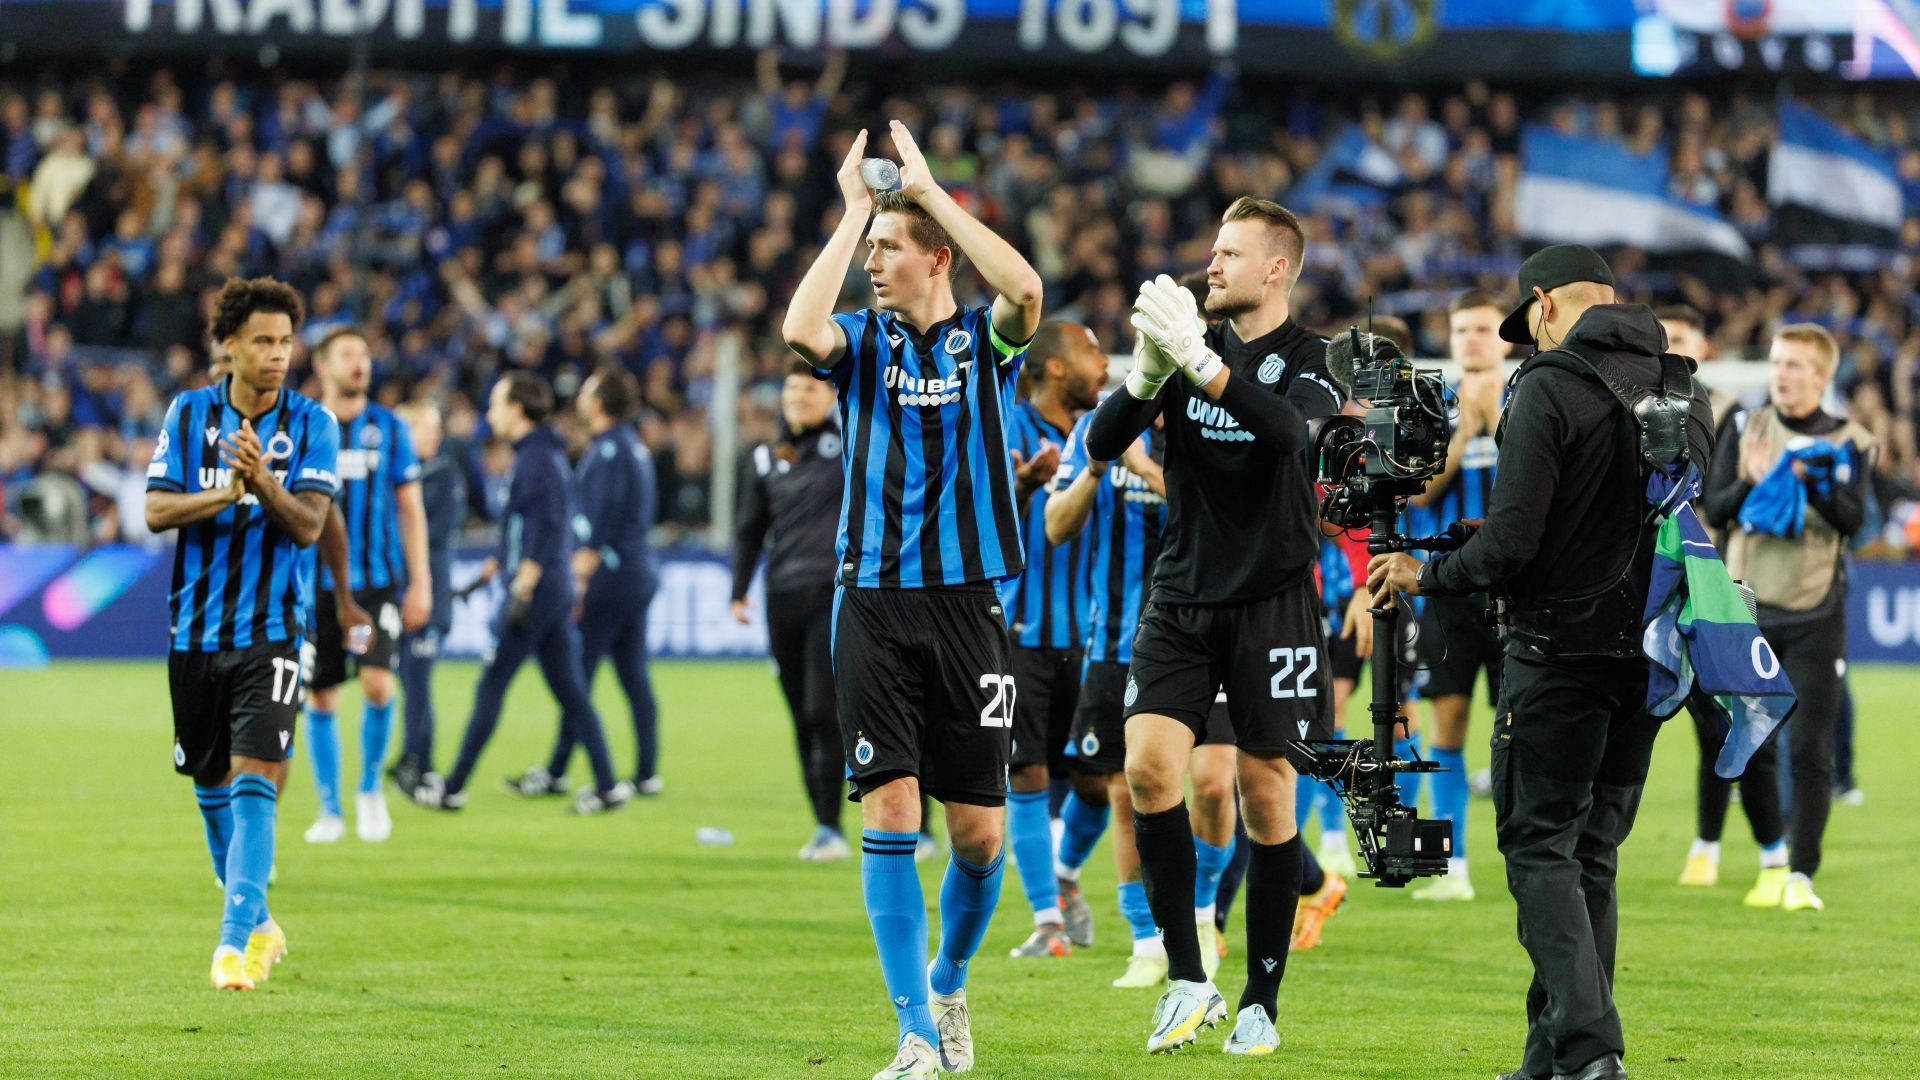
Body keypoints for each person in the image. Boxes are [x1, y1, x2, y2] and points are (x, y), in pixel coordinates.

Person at [1369, 244, 1714, 1080]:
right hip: (1653, 661)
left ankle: (1593, 1052)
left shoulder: (1547, 386)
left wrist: (1429, 572)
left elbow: (1513, 543)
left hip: (1557, 656)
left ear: (1546, 306)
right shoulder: (1684, 385)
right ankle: (1548, 1057)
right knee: (1589, 854)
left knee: (1536, 849)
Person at [781, 120, 1044, 1080]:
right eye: (870, 252)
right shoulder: (858, 342)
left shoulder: (987, 342)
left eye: (889, 251)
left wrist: (929, 197)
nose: (873, 265)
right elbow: (798, 330)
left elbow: (1025, 291)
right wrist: (856, 211)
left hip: (970, 608)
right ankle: (916, 1036)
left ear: (936, 257)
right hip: (875, 605)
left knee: (979, 835)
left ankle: (947, 976)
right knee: (890, 811)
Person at [1085, 196, 1347, 1057]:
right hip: (1182, 595)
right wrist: (1148, 371)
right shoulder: (1183, 345)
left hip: (1273, 602)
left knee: (1266, 799)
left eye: (1231, 252)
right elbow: (1099, 442)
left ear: (1277, 269)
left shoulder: (1315, 361)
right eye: (1213, 249)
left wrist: (1199, 363)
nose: (1213, 263)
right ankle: (1188, 979)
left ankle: (1260, 1000)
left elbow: (1287, 436)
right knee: (1150, 769)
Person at [144, 277, 341, 991]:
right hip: (194, 630)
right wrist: (224, 492)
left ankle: (231, 947)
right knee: (209, 786)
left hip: (272, 632)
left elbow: (311, 526)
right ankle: (259, 921)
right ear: (228, 343)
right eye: (263, 340)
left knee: (254, 779)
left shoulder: (314, 423)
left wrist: (262, 482)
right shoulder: (190, 413)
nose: (278, 354)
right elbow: (157, 512)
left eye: (287, 341)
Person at [1044, 395, 1241, 989]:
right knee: (1129, 794)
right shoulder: (1096, 425)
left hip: (1212, 636)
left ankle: (1202, 912)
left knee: (1211, 785)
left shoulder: (1218, 421)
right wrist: (1100, 467)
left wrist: (1148, 470)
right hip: (1115, 642)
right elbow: (1056, 525)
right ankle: (1144, 940)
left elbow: (1226, 519)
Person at [1702, 324, 1872, 913]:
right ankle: (1772, 856)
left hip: (1816, 612)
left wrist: (1813, 482)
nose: (1783, 374)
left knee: (1809, 749)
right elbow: (1716, 510)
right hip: (1747, 610)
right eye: (1778, 363)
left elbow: (1853, 520)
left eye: (1797, 365)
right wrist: (1751, 479)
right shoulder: (1746, 428)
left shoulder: (1850, 440)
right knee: (1749, 746)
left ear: (1822, 376)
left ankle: (1801, 874)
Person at [415, 372, 630, 815]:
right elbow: (523, 526)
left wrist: (523, 583)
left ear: (516, 410)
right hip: (548, 589)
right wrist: (488, 572)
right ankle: (608, 786)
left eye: (496, 403)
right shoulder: (538, 456)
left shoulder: (537, 460)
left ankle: (452, 786)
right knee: (571, 691)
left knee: (491, 684)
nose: (489, 412)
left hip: (536, 593)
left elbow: (547, 526)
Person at [1657, 308, 1788, 896]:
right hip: (1665, 584)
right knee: (1702, 721)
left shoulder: (1728, 415)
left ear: (1703, 345)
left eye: (1681, 339)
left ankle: (1768, 856)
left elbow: (1722, 502)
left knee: (1733, 719)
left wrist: (1751, 484)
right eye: (1664, 340)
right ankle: (1709, 846)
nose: (1671, 349)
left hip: (1717, 590)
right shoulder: (1634, 411)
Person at [1401, 291, 1513, 902]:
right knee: (1448, 721)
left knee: (1519, 726)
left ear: (1504, 337)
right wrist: (1465, 427)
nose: (1472, 339)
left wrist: (1492, 419)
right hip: (1447, 585)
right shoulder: (1431, 405)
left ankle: (1530, 856)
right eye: (1461, 329)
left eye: (1481, 329)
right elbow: (1417, 493)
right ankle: (1452, 865)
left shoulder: (1529, 399)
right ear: (1449, 337)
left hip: (1517, 589)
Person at [300, 327, 431, 845]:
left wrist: (420, 583)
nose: (360, 364)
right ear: (323, 365)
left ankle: (370, 789)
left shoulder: (391, 428)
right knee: (322, 695)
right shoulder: (303, 425)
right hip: (315, 587)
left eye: (365, 354)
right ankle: (330, 810)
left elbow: (409, 509)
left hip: (375, 586)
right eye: (348, 355)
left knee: (378, 683)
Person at [511, 366, 663, 798]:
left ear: (597, 403)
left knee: (575, 678)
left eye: (585, 391)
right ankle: (648, 771)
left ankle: (558, 771)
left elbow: (598, 526)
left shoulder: (607, 452)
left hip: (610, 578)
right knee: (634, 674)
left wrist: (576, 584)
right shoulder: (633, 446)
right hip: (637, 572)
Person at [1000, 321, 1103, 958]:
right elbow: (968, 510)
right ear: (1057, 368)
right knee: (1026, 770)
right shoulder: (1006, 427)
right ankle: (1047, 920)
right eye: (1093, 351)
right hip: (1019, 632)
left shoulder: (1106, 430)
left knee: (1098, 781)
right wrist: (1017, 487)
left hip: (1095, 637)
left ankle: (1063, 874)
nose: (1104, 363)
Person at [731, 361, 849, 861]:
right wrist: (739, 591)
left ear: (830, 398)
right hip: (782, 598)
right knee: (802, 715)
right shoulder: (762, 457)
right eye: (792, 387)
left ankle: (909, 824)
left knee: (827, 711)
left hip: (835, 594)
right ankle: (825, 828)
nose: (799, 396)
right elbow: (749, 529)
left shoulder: (849, 447)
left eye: (810, 387)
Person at [388, 399, 465, 797]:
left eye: (437, 428)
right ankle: (409, 755)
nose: (436, 434)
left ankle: (423, 763)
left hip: (429, 597)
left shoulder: (443, 475)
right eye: (427, 427)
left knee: (418, 682)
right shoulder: (401, 474)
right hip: (400, 594)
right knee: (405, 680)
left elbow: (433, 532)